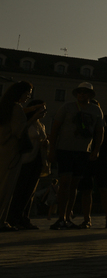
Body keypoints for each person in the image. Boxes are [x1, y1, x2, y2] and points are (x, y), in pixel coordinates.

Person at [48, 82, 104, 230]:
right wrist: (52, 148)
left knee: (74, 185)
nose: (82, 94)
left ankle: (67, 217)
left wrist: (96, 149)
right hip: (65, 149)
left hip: (83, 151)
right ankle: (61, 217)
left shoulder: (96, 110)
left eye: (85, 92)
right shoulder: (66, 107)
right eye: (79, 92)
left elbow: (100, 132)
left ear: (90, 95)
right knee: (65, 182)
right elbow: (55, 128)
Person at [0, 81, 46, 231]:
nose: (29, 96)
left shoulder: (6, 106)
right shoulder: (17, 108)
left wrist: (31, 109)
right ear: (20, 93)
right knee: (7, 188)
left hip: (3, 150)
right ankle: (2, 221)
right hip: (12, 153)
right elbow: (20, 130)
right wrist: (33, 118)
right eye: (28, 92)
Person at [7, 99, 49, 230]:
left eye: (44, 109)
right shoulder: (26, 122)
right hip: (24, 160)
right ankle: (13, 218)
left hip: (37, 159)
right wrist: (33, 117)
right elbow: (21, 133)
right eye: (40, 109)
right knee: (20, 190)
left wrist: (45, 143)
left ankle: (24, 218)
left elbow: (41, 138)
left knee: (30, 192)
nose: (43, 112)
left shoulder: (40, 125)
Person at [78, 99, 107, 229]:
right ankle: (87, 219)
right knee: (86, 189)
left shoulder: (105, 118)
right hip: (85, 154)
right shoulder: (83, 119)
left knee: (103, 187)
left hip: (102, 156)